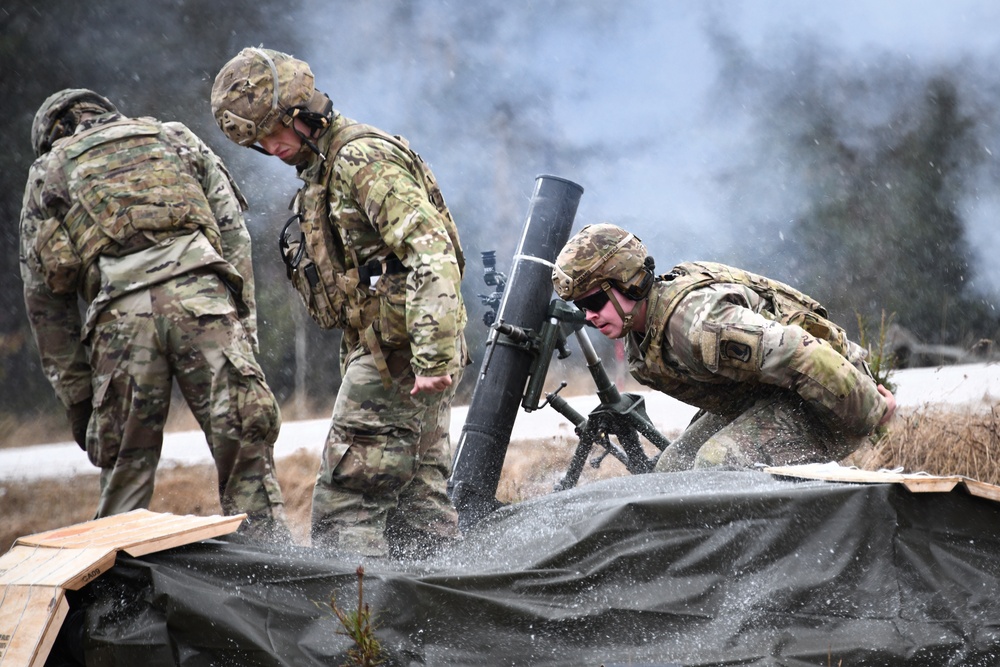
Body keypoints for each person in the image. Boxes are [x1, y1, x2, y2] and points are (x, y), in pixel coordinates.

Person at [211, 48, 468, 558]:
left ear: (303, 112)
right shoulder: (324, 170)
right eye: (258, 141)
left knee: (347, 502)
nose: (271, 147)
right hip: (399, 348)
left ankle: (356, 629)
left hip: (400, 354)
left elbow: (430, 249)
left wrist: (434, 356)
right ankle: (438, 620)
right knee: (417, 504)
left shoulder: (358, 158)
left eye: (274, 130)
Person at [19, 88, 289, 540]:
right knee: (246, 451)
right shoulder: (173, 137)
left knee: (125, 474)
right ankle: (277, 578)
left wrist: (80, 401)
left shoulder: (48, 171)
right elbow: (233, 234)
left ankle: (117, 593)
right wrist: (242, 327)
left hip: (119, 321)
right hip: (202, 301)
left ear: (52, 134)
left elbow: (46, 303)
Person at [552, 223, 896, 471]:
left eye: (595, 300)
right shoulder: (642, 334)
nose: (590, 316)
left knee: (717, 464)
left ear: (628, 282)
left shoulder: (701, 326)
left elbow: (802, 353)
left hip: (826, 404)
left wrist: (870, 409)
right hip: (771, 397)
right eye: (581, 307)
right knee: (673, 470)